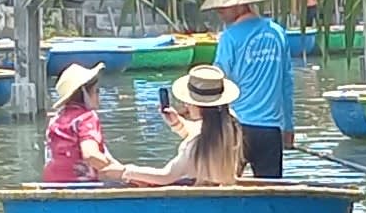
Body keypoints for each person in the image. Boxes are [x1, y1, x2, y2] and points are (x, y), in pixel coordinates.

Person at [90, 66, 253, 186]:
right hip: (223, 190)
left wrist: (125, 171)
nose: (186, 105)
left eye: (189, 101)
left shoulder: (195, 145)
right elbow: (203, 133)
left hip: (199, 199)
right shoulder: (231, 124)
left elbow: (166, 176)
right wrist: (177, 124)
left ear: (199, 106)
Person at [204, 0, 296, 180]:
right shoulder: (277, 33)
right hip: (270, 130)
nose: (219, 11)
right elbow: (286, 84)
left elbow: (217, 80)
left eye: (224, 6)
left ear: (241, 5)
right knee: (270, 191)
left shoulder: (229, 38)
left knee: (222, 185)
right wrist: (289, 126)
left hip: (236, 127)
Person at [37, 65, 116, 184]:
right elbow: (91, 155)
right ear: (85, 93)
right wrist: (121, 174)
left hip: (51, 183)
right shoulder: (86, 117)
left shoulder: (55, 119)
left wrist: (122, 169)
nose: (99, 96)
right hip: (81, 184)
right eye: (97, 91)